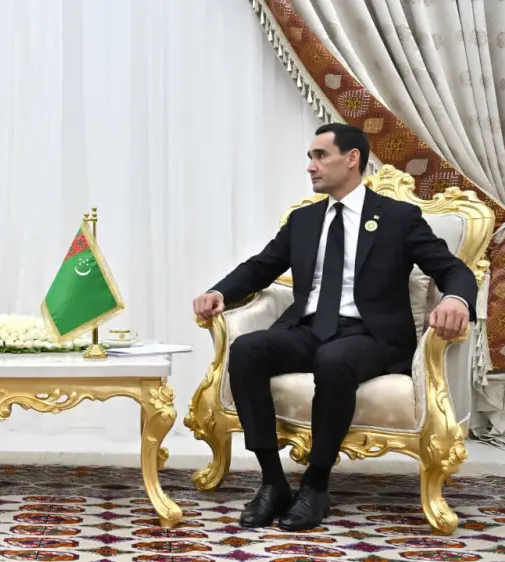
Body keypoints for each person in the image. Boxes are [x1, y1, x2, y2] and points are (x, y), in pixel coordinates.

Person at [192, 123, 475, 531]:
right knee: (248, 350)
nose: (311, 166)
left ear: (352, 158)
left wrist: (455, 299)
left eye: (321, 155)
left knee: (334, 358)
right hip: (309, 329)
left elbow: (452, 269)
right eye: (310, 157)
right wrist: (218, 291)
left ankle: (316, 485)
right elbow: (261, 266)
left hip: (370, 336)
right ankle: (273, 483)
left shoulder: (397, 217)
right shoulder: (304, 220)